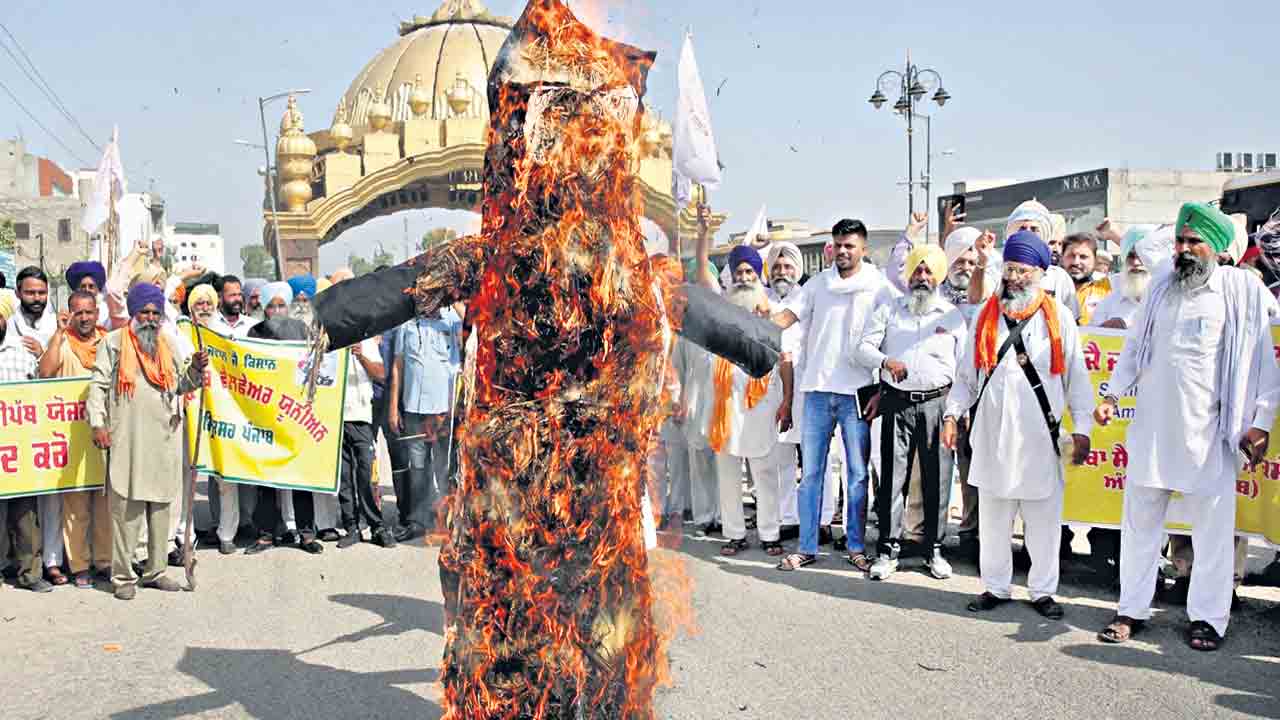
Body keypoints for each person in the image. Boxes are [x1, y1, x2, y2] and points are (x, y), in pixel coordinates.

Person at [1095, 202, 1280, 651]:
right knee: (1139, 525)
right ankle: (1131, 609)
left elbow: (1262, 364)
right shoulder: (1163, 286)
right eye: (1179, 240)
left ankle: (1208, 618)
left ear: (1216, 249)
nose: (1182, 249)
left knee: (1212, 533)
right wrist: (1111, 395)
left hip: (1209, 434)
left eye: (1193, 241)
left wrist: (1261, 422)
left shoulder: (1241, 291)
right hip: (1153, 431)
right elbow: (1135, 348)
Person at [943, 231, 1093, 619]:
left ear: (1041, 273)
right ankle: (995, 587)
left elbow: (1077, 378)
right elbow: (966, 376)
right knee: (994, 517)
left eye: (1022, 271)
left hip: (1040, 438)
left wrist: (1084, 429)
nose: (1014, 277)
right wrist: (951, 413)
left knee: (1043, 520)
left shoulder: (1059, 318)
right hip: (992, 435)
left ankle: (1042, 591)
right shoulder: (984, 315)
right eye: (1009, 269)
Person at [772, 218, 897, 572]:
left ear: (863, 249)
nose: (843, 251)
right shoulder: (817, 284)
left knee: (857, 474)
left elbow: (889, 338)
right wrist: (755, 326)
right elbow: (788, 316)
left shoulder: (879, 286)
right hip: (816, 392)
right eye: (838, 244)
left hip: (857, 394)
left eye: (850, 246)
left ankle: (856, 546)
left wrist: (882, 389)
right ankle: (807, 546)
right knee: (811, 473)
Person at [87, 283, 208, 600]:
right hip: (127, 438)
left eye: (156, 313)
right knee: (126, 510)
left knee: (160, 509)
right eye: (145, 312)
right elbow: (98, 386)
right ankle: (123, 576)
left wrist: (195, 368)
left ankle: (155, 572)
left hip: (164, 438)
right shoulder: (113, 343)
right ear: (134, 312)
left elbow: (182, 385)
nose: (151, 318)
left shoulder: (167, 344)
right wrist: (98, 423)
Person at [857, 244, 966, 580]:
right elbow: (862, 347)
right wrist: (885, 362)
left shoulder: (952, 316)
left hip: (939, 404)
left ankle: (934, 549)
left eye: (928, 271)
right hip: (898, 402)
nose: (922, 277)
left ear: (939, 276)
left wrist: (955, 412)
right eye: (917, 270)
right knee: (892, 477)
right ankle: (888, 550)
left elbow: (964, 370)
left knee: (938, 478)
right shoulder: (890, 310)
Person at [705, 246, 787, 557]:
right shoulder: (721, 313)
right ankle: (735, 534)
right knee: (728, 473)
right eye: (739, 272)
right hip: (726, 404)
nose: (743, 277)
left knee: (765, 472)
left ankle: (769, 534)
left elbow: (784, 359)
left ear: (758, 276)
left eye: (749, 272)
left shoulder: (772, 311)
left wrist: (785, 402)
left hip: (762, 403)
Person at [243, 281, 325, 555]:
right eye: (271, 306)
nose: (276, 311)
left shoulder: (300, 331)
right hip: (264, 414)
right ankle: (266, 534)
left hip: (294, 414)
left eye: (281, 305)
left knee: (299, 475)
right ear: (264, 309)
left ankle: (306, 534)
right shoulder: (253, 333)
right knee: (265, 478)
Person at [38, 291, 109, 588]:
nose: (84, 318)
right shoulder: (62, 342)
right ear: (70, 314)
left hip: (104, 432)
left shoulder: (110, 341)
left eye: (89, 312)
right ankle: (79, 564)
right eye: (78, 313)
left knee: (105, 503)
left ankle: (104, 561)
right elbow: (44, 372)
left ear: (96, 313)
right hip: (71, 436)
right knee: (75, 506)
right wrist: (57, 333)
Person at [387, 297, 463, 541]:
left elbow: (473, 333)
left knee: (445, 467)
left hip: (444, 410)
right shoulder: (406, 324)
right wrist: (392, 407)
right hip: (414, 409)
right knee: (418, 468)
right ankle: (417, 522)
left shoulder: (453, 322)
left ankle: (447, 523)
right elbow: (398, 366)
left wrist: (456, 301)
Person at [10, 267, 68, 585]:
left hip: (45, 424)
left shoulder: (55, 323)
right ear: (18, 293)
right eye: (31, 293)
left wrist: (45, 350)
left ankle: (44, 564)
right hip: (12, 422)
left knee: (43, 500)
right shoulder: (7, 326)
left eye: (42, 293)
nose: (37, 299)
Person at [0, 290, 51, 592]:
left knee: (24, 514)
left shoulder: (22, 353)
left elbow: (42, 396)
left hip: (19, 450)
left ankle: (30, 573)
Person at [336, 320, 396, 549]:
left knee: (366, 474)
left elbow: (381, 374)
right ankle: (351, 527)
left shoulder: (367, 341)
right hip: (335, 417)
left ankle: (376, 525)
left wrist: (361, 355)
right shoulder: (328, 342)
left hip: (361, 417)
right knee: (343, 477)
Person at [763, 241, 804, 542]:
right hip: (769, 387)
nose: (782, 271)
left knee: (818, 460)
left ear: (797, 270)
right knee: (779, 455)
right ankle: (781, 516)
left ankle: (816, 518)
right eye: (776, 266)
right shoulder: (761, 300)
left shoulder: (806, 299)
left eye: (788, 266)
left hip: (804, 386)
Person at [1090, 225, 1157, 330]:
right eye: (1130, 256)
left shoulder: (1173, 300)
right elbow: (1092, 341)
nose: (1136, 263)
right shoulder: (1108, 303)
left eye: (1142, 256)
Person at [1061, 232, 1111, 326]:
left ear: (1095, 260)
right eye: (1071, 256)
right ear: (1062, 258)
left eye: (1083, 257)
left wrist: (1113, 234)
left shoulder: (1107, 288)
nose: (1076, 262)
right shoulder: (1051, 289)